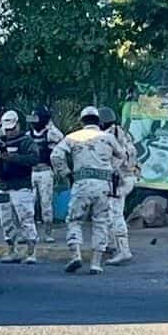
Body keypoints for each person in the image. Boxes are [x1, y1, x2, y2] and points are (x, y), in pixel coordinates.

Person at [52, 106, 127, 275]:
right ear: (98, 121)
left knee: (75, 220)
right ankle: (96, 263)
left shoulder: (73, 137)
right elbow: (122, 155)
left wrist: (66, 174)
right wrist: (110, 168)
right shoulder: (108, 138)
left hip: (81, 184)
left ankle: (76, 254)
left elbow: (55, 155)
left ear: (82, 121)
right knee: (101, 222)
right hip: (103, 186)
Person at [0, 110, 40, 265]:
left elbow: (34, 158)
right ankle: (12, 250)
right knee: (6, 220)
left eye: (12, 128)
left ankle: (31, 251)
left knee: (26, 218)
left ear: (18, 125)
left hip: (21, 186)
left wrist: (12, 158)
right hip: (4, 186)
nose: (9, 132)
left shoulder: (26, 141)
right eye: (7, 129)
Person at [99, 106, 139, 267]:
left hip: (119, 179)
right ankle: (113, 245)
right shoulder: (121, 132)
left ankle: (123, 250)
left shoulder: (109, 137)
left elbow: (112, 162)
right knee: (111, 212)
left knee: (115, 214)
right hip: (128, 176)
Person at [28, 105, 64, 244]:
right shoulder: (29, 134)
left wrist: (50, 126)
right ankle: (31, 233)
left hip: (45, 172)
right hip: (31, 172)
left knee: (46, 204)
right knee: (29, 204)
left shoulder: (51, 133)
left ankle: (48, 232)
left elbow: (61, 140)